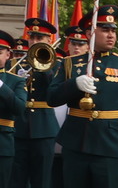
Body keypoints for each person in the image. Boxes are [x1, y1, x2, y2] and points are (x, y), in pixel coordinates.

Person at [45, 3, 118, 187]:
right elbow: (52, 98)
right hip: (76, 143)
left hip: (110, 145)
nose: (111, 35)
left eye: (113, 30)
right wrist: (74, 84)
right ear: (90, 33)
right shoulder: (69, 63)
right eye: (105, 29)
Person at [14, 17, 59, 188]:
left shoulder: (57, 64)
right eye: (32, 37)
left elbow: (54, 90)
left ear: (49, 40)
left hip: (44, 128)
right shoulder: (15, 63)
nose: (34, 41)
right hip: (19, 126)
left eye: (39, 38)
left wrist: (42, 67)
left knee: (42, 179)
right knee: (17, 177)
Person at [0, 30, 26, 187]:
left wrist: (1, 86)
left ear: (8, 55)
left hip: (2, 145)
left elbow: (19, 107)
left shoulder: (15, 81)